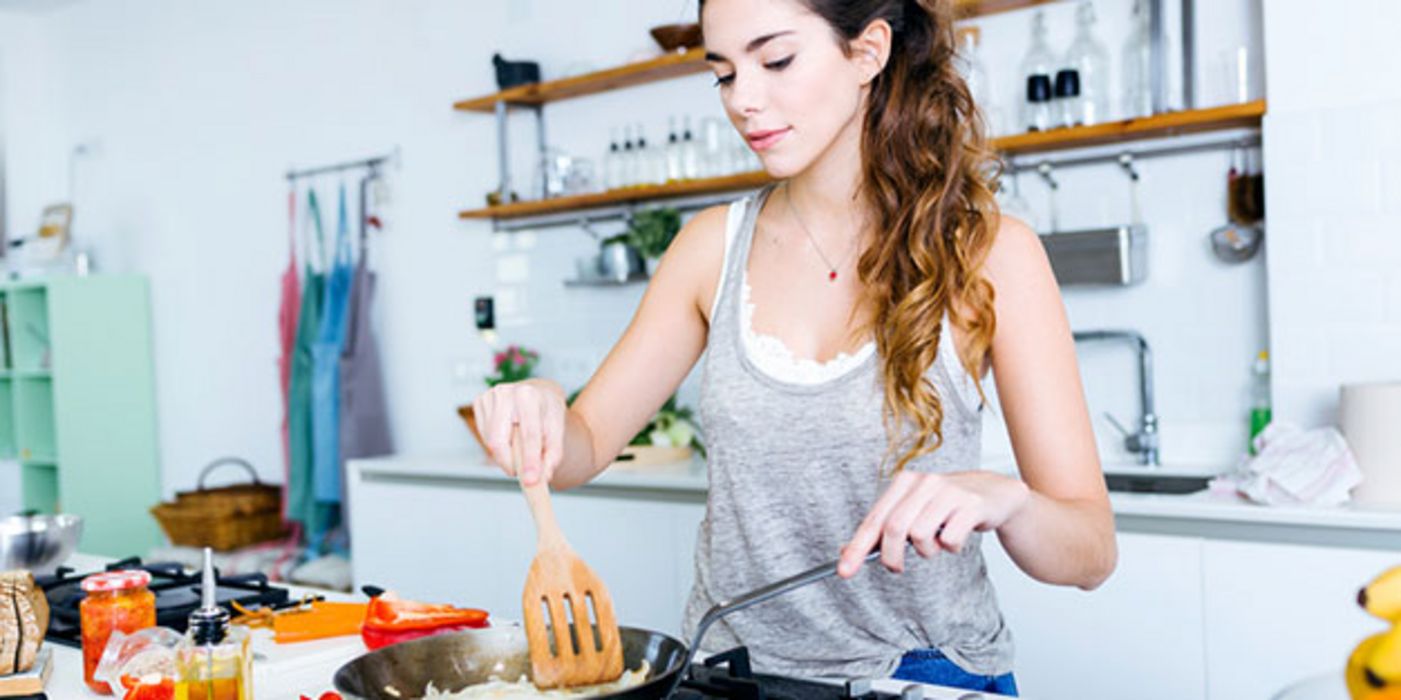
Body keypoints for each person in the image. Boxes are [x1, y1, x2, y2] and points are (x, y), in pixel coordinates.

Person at [470, 0, 1116, 694]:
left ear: (866, 52)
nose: (744, 100)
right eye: (722, 74)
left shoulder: (991, 255)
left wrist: (1007, 500)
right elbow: (585, 443)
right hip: (730, 677)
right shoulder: (708, 250)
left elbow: (1089, 553)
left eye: (775, 60)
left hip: (923, 677)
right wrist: (538, 411)